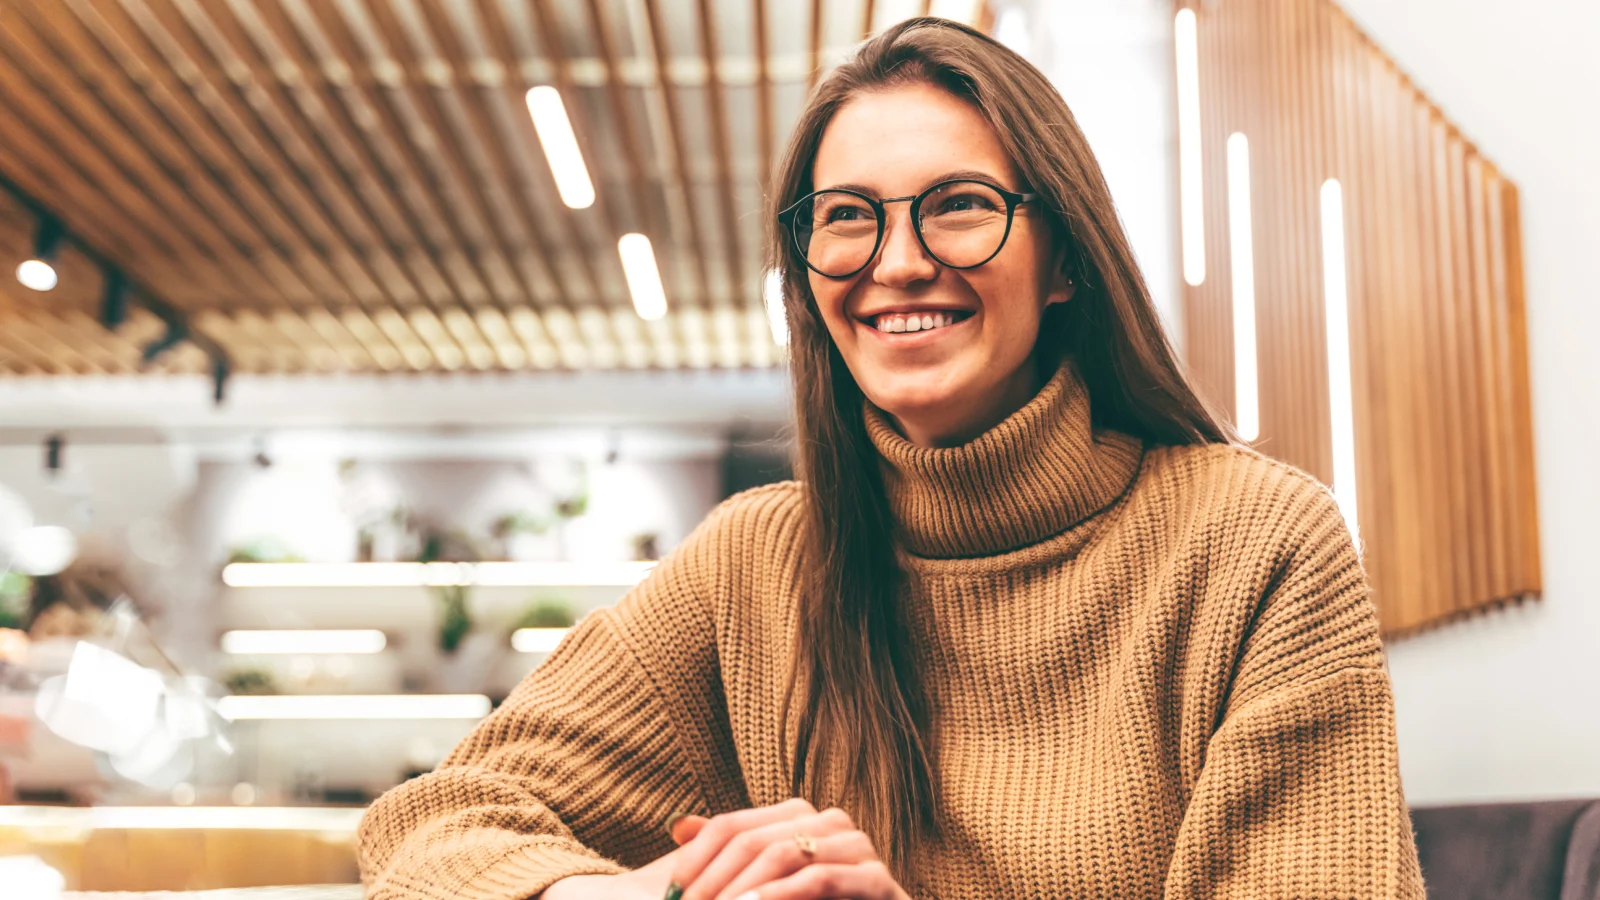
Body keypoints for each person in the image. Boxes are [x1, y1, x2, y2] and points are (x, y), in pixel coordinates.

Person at [359, 17, 1422, 900]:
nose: (897, 263)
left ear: (1065, 261)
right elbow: (428, 823)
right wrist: (641, 893)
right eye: (846, 218)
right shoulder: (753, 564)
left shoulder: (1256, 541)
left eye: (958, 206)